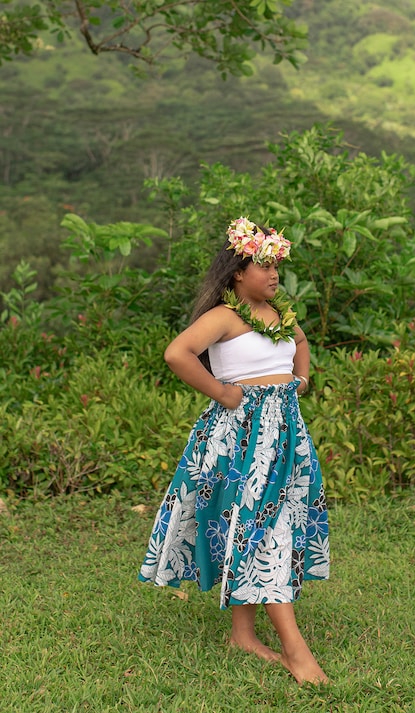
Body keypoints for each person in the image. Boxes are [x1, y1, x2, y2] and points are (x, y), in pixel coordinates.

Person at [139, 217, 330, 684]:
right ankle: (297, 651)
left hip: (286, 432)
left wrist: (300, 380)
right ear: (238, 272)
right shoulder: (223, 316)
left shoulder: (280, 315)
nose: (273, 276)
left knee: (262, 525)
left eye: (276, 269)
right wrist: (223, 393)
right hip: (240, 437)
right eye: (263, 267)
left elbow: (300, 344)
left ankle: (243, 635)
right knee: (262, 531)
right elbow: (177, 353)